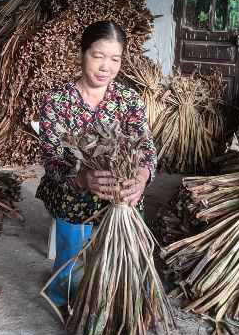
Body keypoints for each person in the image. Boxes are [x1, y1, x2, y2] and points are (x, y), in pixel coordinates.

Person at [36, 20, 157, 307]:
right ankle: (62, 296)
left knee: (123, 269)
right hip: (72, 195)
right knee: (72, 273)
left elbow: (147, 149)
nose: (106, 67)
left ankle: (110, 300)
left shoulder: (128, 100)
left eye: (115, 59)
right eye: (98, 56)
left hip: (120, 199)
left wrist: (141, 177)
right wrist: (81, 179)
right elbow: (51, 159)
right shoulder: (56, 101)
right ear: (81, 54)